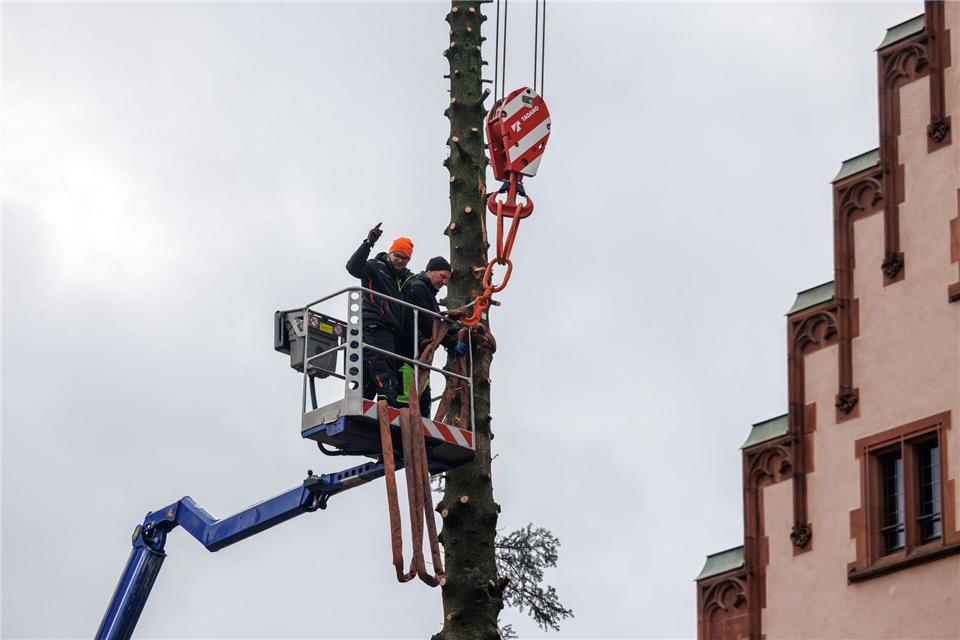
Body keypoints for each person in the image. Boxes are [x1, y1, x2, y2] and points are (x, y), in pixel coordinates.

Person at [345, 223, 415, 407]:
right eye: (397, 256)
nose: (400, 261)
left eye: (405, 259)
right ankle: (387, 406)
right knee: (382, 368)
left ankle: (362, 404)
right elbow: (352, 267)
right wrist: (368, 243)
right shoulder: (375, 267)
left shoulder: (405, 279)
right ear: (391, 252)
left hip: (392, 330)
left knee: (370, 374)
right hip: (375, 323)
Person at [398, 256, 467, 416]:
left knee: (423, 406)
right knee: (406, 404)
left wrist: (458, 329)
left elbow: (436, 322)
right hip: (407, 355)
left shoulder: (428, 293)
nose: (443, 282)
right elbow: (431, 323)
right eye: (442, 276)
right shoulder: (417, 288)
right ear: (429, 271)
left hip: (420, 359)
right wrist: (452, 343)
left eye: (446, 279)